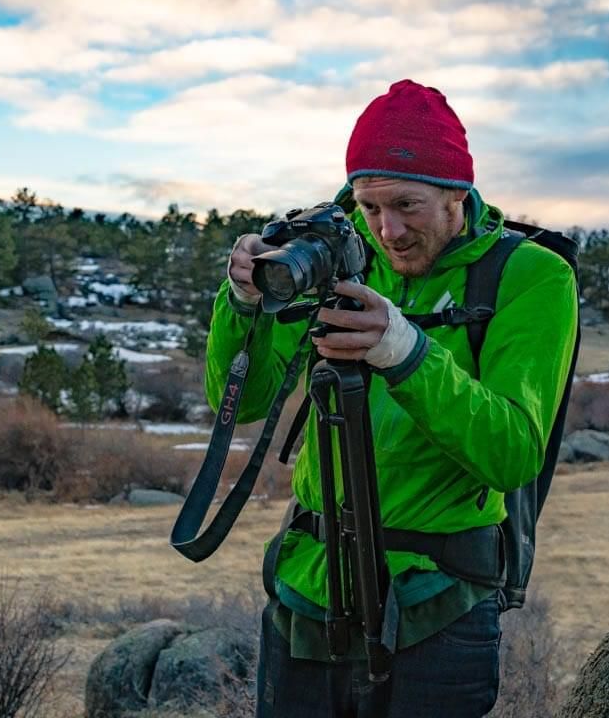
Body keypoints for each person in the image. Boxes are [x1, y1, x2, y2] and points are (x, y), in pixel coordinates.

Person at [204, 79, 578, 717]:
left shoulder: (530, 276)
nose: (388, 230)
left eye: (407, 205)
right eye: (370, 207)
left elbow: (514, 454)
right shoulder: (341, 252)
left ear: (457, 192)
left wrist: (406, 352)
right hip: (308, 591)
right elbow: (243, 403)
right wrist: (243, 304)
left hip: (438, 602)